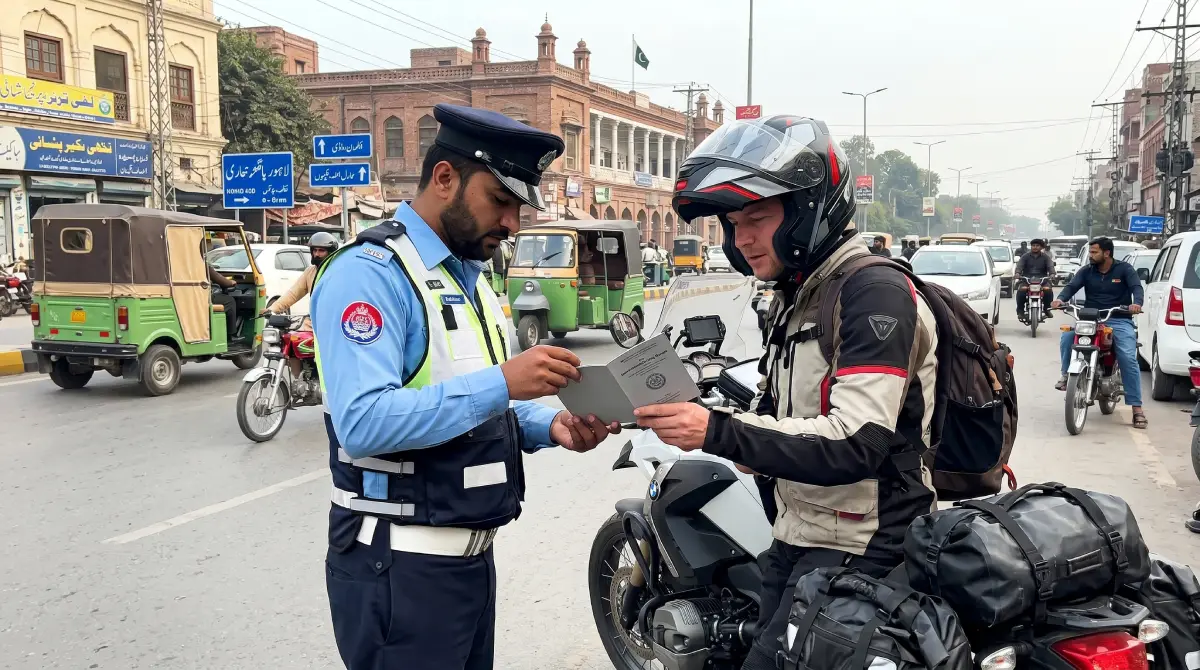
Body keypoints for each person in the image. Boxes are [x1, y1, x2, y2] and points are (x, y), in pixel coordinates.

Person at [309, 103, 620, 670]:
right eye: (499, 202)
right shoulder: (373, 273)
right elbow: (362, 423)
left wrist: (550, 424)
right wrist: (505, 383)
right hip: (401, 569)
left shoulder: (470, 277)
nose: (512, 224)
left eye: (518, 208)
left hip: (468, 566)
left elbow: (472, 398)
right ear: (445, 178)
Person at [641, 115, 939, 670]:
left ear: (809, 211)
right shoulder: (798, 293)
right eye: (732, 224)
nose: (741, 238)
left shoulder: (873, 292)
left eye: (756, 218)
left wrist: (717, 432)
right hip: (800, 530)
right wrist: (720, 423)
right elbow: (794, 410)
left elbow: (860, 441)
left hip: (865, 546)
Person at [1052, 236, 1146, 428]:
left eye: (1094, 252)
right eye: (1091, 252)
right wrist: (1060, 299)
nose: (1091, 256)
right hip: (1090, 318)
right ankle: (1065, 376)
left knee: (1128, 356)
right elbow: (1071, 286)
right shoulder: (1087, 271)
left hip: (1119, 318)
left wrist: (1136, 304)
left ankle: (1137, 408)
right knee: (1067, 337)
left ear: (1107, 253)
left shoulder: (1124, 269)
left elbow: (1137, 288)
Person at [264, 231, 339, 393]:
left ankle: (326, 384)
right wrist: (272, 309)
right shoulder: (310, 272)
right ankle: (299, 382)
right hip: (313, 322)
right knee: (292, 342)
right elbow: (293, 294)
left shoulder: (339, 272)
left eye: (321, 251)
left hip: (335, 323)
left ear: (330, 252)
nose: (317, 254)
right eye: (315, 250)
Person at [1014, 238, 1055, 321]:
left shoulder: (1046, 257)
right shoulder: (1025, 256)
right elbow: (1020, 266)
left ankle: (1047, 309)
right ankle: (1020, 311)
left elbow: (1050, 266)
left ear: (1041, 247)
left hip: (1042, 280)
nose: (1035, 247)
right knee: (1021, 291)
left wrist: (1052, 274)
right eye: (1033, 245)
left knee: (1048, 291)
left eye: (1037, 246)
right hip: (1027, 280)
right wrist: (1017, 273)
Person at [203, 239, 237, 335]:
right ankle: (232, 334)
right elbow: (220, 280)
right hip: (205, 297)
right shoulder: (202, 264)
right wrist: (231, 282)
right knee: (230, 301)